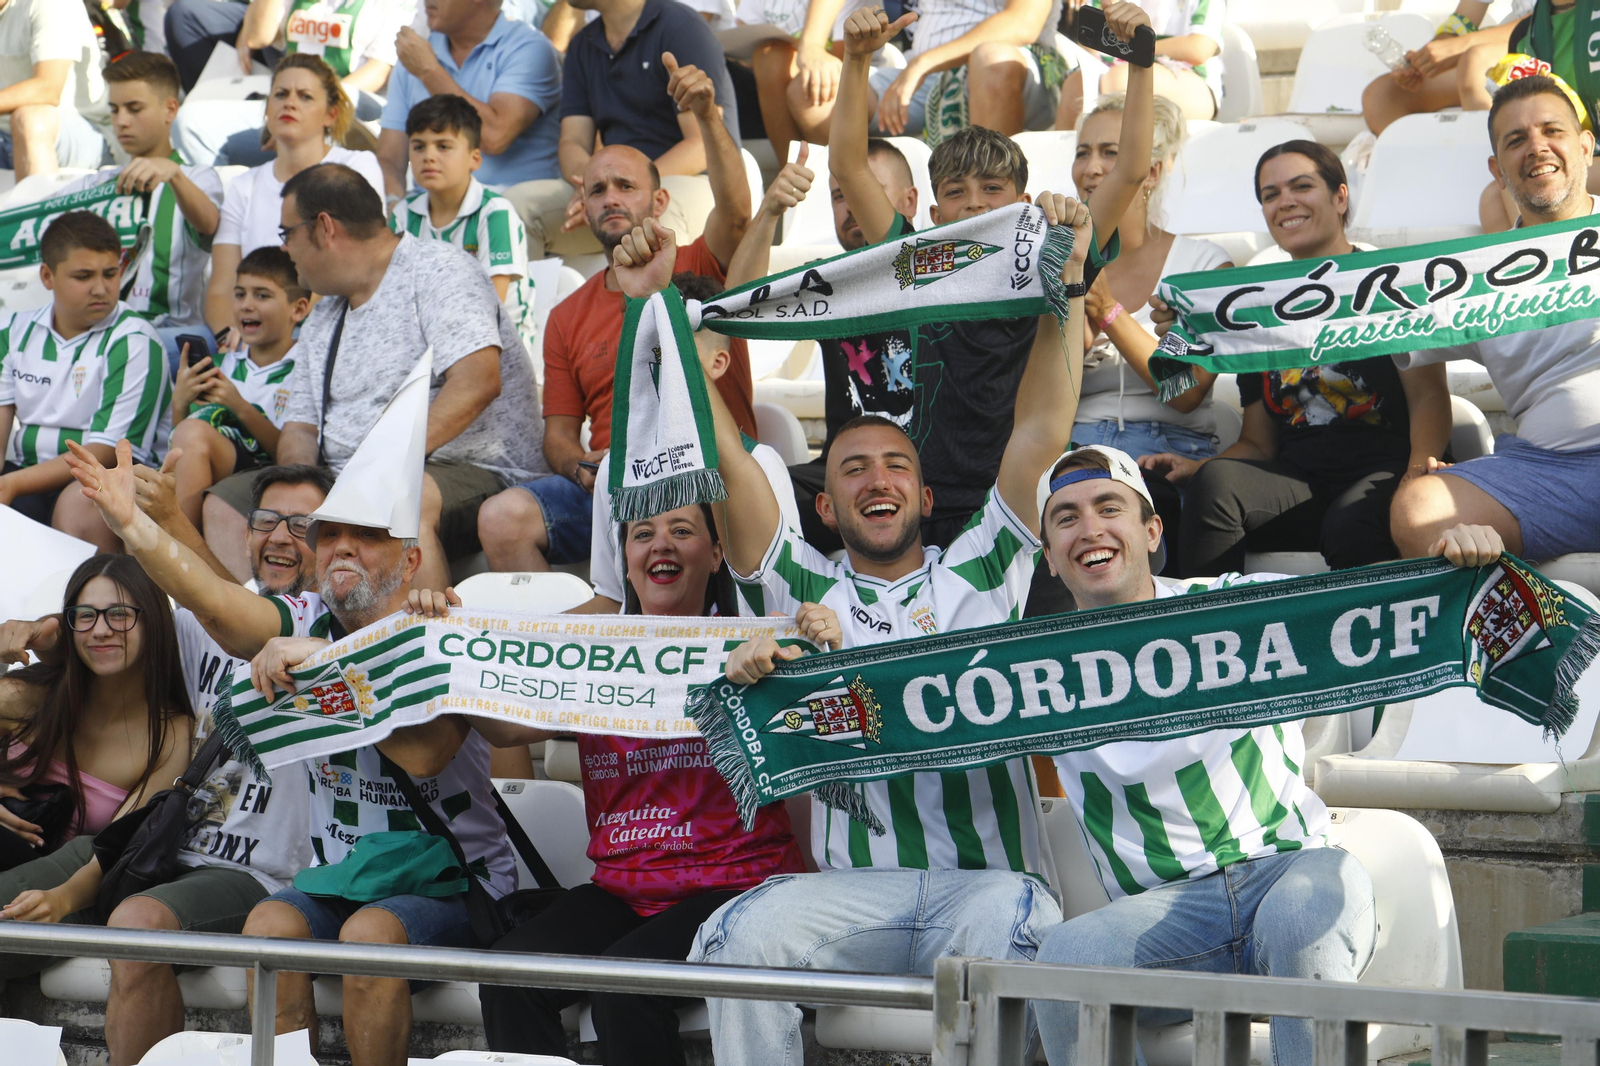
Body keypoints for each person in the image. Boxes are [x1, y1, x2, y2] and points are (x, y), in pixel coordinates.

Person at [604, 190, 1090, 1062]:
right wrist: (659, 304)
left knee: (1007, 940)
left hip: (983, 886)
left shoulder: (982, 567)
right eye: (854, 466)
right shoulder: (794, 581)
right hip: (849, 895)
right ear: (824, 504)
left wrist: (1069, 281)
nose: (878, 478)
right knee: (736, 941)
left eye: (896, 464)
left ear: (926, 495)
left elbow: (1043, 425)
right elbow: (719, 452)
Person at [1022, 446, 1509, 1066]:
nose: (1089, 529)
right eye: (1065, 518)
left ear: (1152, 531)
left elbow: (1386, 614)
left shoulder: (1244, 606)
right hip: (1167, 922)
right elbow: (912, 694)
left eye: (1108, 506)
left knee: (1298, 925)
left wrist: (1457, 560)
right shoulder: (1030, 672)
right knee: (1062, 965)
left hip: (1289, 872)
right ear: (1049, 558)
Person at [63, 437, 517, 1066]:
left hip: (453, 883)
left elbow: (425, 755)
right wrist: (134, 525)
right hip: (338, 879)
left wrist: (326, 668)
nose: (342, 549)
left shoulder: (440, 629)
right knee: (268, 931)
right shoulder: (304, 615)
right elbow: (217, 606)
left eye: (367, 536)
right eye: (329, 535)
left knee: (367, 937)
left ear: (410, 560)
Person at [473, 505, 827, 1065]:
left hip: (738, 887)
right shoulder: (590, 657)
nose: (660, 545)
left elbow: (828, 711)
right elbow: (504, 723)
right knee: (507, 976)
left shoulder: (759, 647)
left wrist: (814, 639)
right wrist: (439, 643)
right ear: (628, 565)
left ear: (715, 556)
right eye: (643, 536)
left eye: (681, 532)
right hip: (625, 889)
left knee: (625, 989)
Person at [786, 4, 1142, 555]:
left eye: (991, 189)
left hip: (1026, 494)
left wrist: (1139, 61)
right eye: (955, 191)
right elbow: (851, 167)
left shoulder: (1054, 253)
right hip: (927, 501)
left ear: (1022, 201)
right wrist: (855, 62)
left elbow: (1130, 172)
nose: (974, 202)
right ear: (932, 214)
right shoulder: (915, 261)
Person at [23, 463, 324, 1066]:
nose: (280, 536)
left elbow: (221, 605)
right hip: (163, 842)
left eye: (303, 524)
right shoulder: (198, 627)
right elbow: (188, 605)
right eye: (266, 521)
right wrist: (44, 634)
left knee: (135, 922)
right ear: (246, 533)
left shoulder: (330, 627)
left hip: (264, 872)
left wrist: (146, 522)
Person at [205, 163, 545, 593]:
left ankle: (424, 650)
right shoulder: (325, 310)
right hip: (350, 475)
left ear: (324, 228)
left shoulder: (439, 270)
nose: (285, 250)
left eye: (286, 234)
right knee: (228, 506)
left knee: (403, 497)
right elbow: (300, 428)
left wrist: (382, 464)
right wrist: (294, 495)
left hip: (467, 467)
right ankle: (278, 629)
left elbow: (478, 380)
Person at [475, 59, 752, 574]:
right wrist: (580, 466)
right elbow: (558, 436)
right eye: (597, 190)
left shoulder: (694, 264)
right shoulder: (566, 315)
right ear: (582, 206)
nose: (611, 199)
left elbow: (737, 212)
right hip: (614, 484)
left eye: (625, 185)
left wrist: (709, 116)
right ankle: (553, 653)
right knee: (500, 517)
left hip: (710, 471)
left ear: (660, 200)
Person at [1138, 141, 1450, 577]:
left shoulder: (1390, 282)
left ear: (1340, 197)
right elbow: (1259, 442)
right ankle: (1209, 634)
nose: (1285, 202)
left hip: (1385, 473)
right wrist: (1203, 469)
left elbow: (1429, 396)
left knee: (1350, 525)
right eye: (1270, 195)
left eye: (1301, 186)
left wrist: (1417, 479)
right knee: (1216, 486)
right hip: (1298, 486)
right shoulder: (1250, 308)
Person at [1390, 75, 1600, 562]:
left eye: (1552, 130)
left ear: (1587, 147)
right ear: (1497, 168)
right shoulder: (1471, 275)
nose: (1537, 147)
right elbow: (1402, 339)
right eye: (1516, 140)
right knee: (1417, 509)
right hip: (1547, 478)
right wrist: (1181, 338)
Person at [580, 271, 804, 613]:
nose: (660, 364)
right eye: (648, 350)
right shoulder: (615, 467)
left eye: (676, 351)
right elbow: (613, 599)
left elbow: (784, 593)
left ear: (718, 364)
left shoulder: (761, 463)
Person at [503, 0, 742, 259]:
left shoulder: (681, 26)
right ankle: (526, 301)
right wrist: (593, 188)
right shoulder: (583, 44)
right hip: (616, 189)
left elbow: (700, 147)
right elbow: (572, 141)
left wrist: (632, 189)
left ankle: (669, 301)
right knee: (514, 210)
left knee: (657, 217)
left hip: (693, 182)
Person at [0, 556, 193, 872]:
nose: (100, 630)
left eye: (119, 614)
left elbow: (117, 856)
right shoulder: (24, 697)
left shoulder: (170, 734)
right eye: (85, 615)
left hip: (61, 892)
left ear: (153, 622)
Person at [0, 211, 173, 553]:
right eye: (83, 276)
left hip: (110, 476)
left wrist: (11, 484)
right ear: (47, 276)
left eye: (110, 274)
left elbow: (104, 451)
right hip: (24, 473)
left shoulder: (135, 340)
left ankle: (91, 604)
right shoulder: (13, 331)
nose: (101, 288)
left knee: (82, 503)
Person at [203, 53, 386, 335]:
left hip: (328, 329)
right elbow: (221, 288)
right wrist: (229, 336)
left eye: (305, 96)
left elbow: (357, 265)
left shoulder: (357, 166)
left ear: (331, 114)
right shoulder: (244, 185)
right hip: (250, 334)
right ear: (267, 108)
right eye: (280, 94)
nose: (290, 102)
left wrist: (275, 329)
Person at [57, 52, 225, 349]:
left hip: (171, 335)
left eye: (134, 109)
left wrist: (173, 175)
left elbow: (210, 225)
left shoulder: (196, 178)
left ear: (170, 109)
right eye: (114, 110)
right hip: (100, 332)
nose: (121, 121)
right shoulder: (95, 183)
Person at [169, 247, 310, 531]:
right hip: (212, 470)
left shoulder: (306, 370)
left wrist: (240, 407)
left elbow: (291, 456)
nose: (246, 305)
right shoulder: (221, 364)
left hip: (264, 479)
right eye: (239, 294)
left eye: (262, 295)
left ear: (298, 309)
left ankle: (178, 551)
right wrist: (179, 405)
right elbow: (182, 443)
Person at [388, 94, 538, 346]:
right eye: (418, 146)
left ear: (475, 158)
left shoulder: (495, 213)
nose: (429, 156)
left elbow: (491, 308)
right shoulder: (403, 214)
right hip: (427, 344)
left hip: (499, 350)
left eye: (443, 146)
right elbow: (393, 296)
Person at [376, 0, 563, 198]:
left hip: (507, 211)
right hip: (430, 210)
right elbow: (390, 158)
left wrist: (429, 72)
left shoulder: (529, 48)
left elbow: (494, 138)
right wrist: (393, 205)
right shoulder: (416, 56)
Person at [842, 0, 1070, 144]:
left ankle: (998, 208)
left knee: (990, 60)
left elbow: (1023, 23)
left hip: (1019, 69)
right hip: (927, 78)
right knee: (826, 95)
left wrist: (922, 64)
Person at [1477, 0, 1600, 230]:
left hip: (1583, 151)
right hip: (1583, 151)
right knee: (1492, 199)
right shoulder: (1525, 35)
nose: (1536, 146)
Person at [1359, 0, 1522, 137]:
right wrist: (1427, 59)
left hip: (1540, 48)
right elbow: (1465, 17)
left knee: (1474, 62)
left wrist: (1459, 47)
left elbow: (1544, 22)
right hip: (1500, 47)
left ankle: (1490, 169)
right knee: (1382, 97)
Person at [1057, 0, 1222, 128]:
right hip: (1114, 69)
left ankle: (1119, 165)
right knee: (1074, 86)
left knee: (1120, 80)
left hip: (1193, 81)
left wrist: (1137, 47)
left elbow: (1199, 48)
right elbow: (1090, 41)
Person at [743, 0, 866, 164]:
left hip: (847, 81)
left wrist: (808, 49)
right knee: (770, 57)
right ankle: (790, 172)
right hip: (767, 80)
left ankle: (834, 177)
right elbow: (741, 35)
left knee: (807, 87)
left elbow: (845, 58)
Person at [0, 0, 109, 177]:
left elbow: (48, 89)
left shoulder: (52, 3)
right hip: (6, 136)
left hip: (84, 133)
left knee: (31, 119)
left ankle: (37, 203)